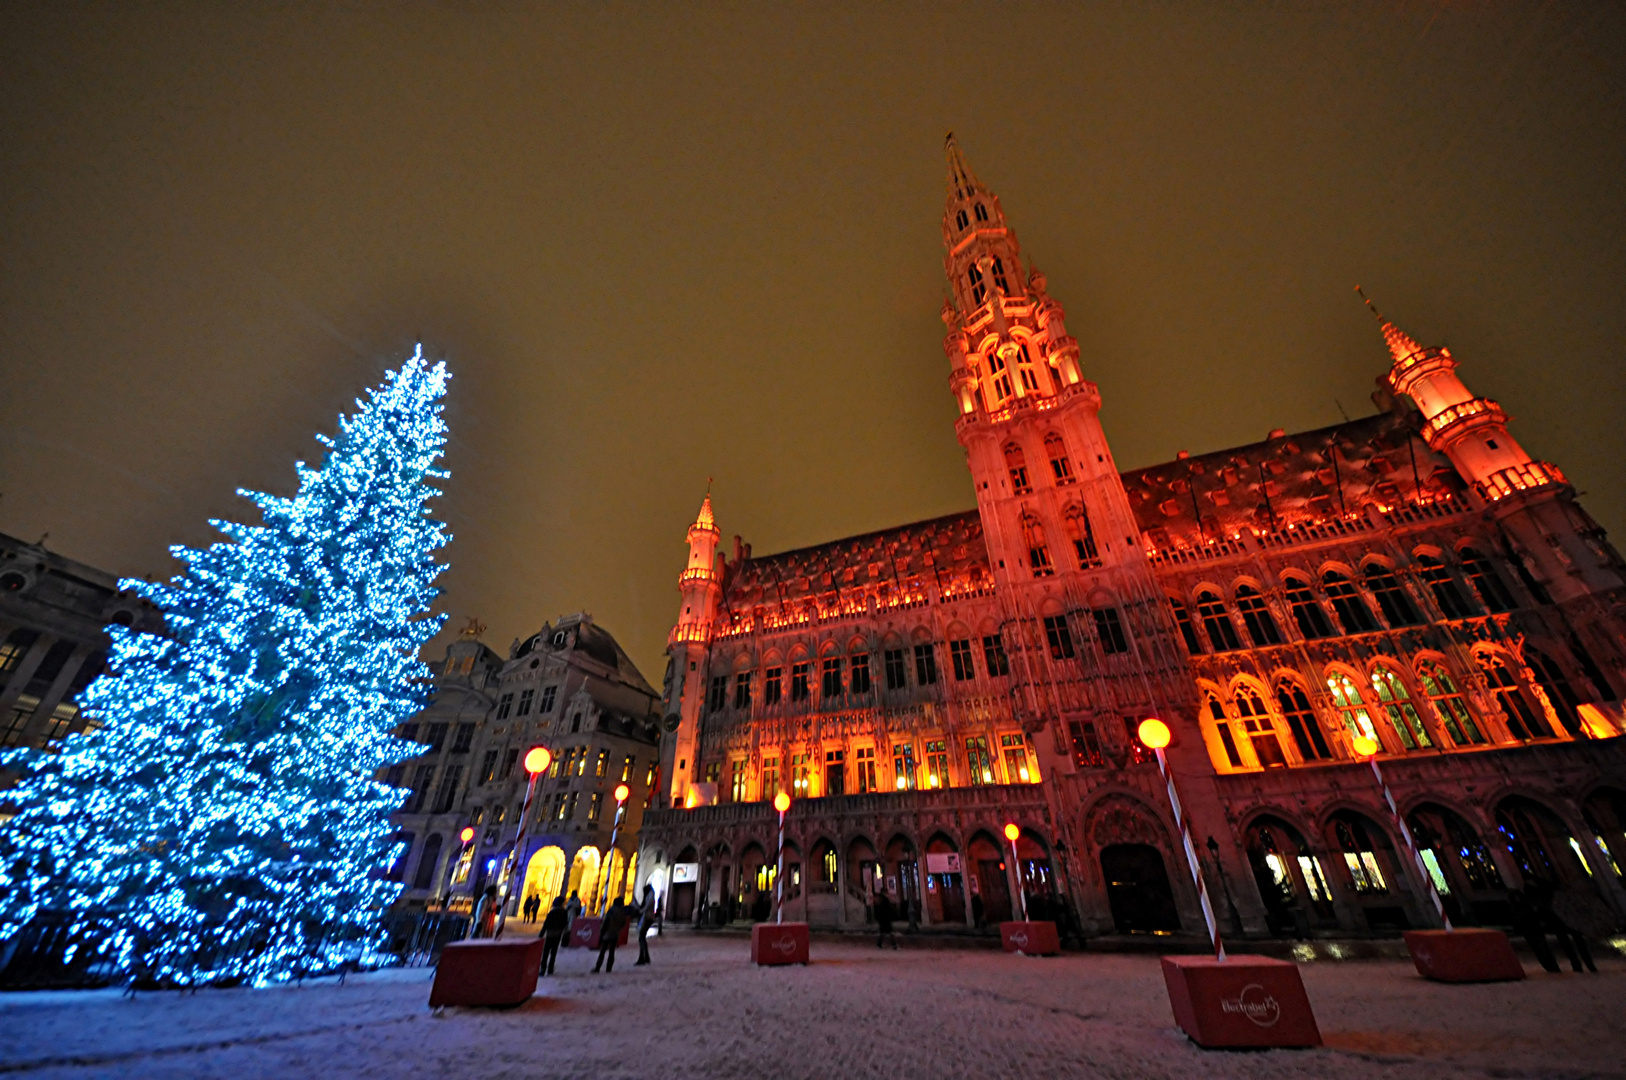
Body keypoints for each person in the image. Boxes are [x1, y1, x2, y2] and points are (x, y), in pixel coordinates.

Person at [1508, 888, 1560, 973]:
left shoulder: (1524, 906)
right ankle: (1550, 966)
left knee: (1542, 948)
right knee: (1539, 949)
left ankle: (1552, 966)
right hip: (1529, 930)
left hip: (1534, 929)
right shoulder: (1520, 907)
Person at [593, 898, 629, 973]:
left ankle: (598, 967)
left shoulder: (611, 911)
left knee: (602, 951)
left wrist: (602, 932)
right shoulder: (622, 913)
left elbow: (605, 922)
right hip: (615, 933)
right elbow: (624, 923)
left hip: (607, 933)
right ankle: (609, 968)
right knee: (611, 952)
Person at [539, 897, 569, 976]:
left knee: (546, 952)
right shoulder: (564, 912)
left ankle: (543, 969)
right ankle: (550, 969)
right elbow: (565, 923)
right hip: (558, 934)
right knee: (553, 952)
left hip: (550, 934)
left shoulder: (552, 912)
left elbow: (546, 923)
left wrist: (541, 933)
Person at [635, 884, 657, 965]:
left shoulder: (650, 895)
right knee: (642, 937)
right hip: (647, 917)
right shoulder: (650, 895)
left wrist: (641, 910)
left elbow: (647, 906)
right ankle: (646, 956)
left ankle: (642, 957)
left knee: (641, 937)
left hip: (647, 918)